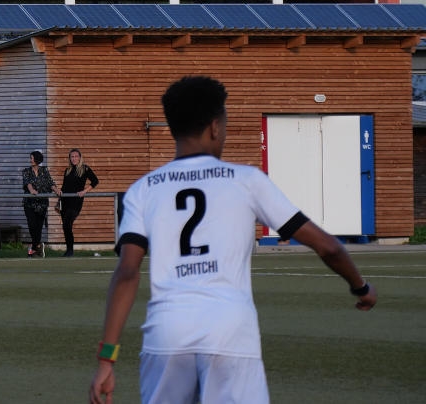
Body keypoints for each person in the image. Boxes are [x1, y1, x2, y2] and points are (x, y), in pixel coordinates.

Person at [89, 75, 378, 404]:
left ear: (172, 128)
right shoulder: (247, 180)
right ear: (215, 127)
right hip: (230, 331)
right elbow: (328, 246)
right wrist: (361, 287)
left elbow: (127, 272)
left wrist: (106, 361)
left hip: (167, 332)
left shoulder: (143, 189)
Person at [58, 148, 100, 257]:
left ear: (80, 158)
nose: (74, 158)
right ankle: (69, 250)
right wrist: (59, 198)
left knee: (67, 223)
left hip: (76, 202)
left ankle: (70, 251)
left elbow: (95, 181)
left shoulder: (85, 169)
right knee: (66, 226)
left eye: (76, 156)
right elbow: (64, 186)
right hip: (65, 201)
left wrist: (85, 191)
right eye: (72, 157)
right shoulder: (67, 170)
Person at [21, 150, 54, 256]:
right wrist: (31, 190)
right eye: (30, 158)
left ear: (37, 159)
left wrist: (57, 190)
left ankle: (35, 248)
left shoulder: (44, 170)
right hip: (29, 203)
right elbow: (27, 182)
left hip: (42, 203)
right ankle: (38, 246)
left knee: (38, 227)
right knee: (32, 225)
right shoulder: (26, 171)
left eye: (32, 158)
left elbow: (50, 182)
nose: (30, 160)